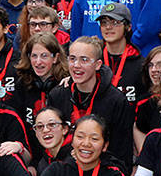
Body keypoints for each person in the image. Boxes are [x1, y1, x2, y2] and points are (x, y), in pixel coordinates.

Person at [46, 37, 134, 169]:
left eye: (84, 60)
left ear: (98, 64)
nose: (76, 65)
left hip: (102, 173)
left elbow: (121, 154)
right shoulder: (57, 95)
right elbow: (49, 141)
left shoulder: (116, 101)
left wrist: (89, 157)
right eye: (72, 59)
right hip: (63, 169)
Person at [10, 33, 66, 129]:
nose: (38, 62)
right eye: (34, 56)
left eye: (44, 56)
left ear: (55, 58)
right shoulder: (21, 83)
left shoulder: (65, 85)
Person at [96, 3, 145, 105]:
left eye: (115, 22)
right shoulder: (94, 59)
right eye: (104, 22)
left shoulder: (140, 64)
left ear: (128, 27)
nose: (108, 27)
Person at [30, 107, 72, 176]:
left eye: (52, 124)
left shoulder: (76, 157)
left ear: (65, 129)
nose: (45, 130)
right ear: (36, 134)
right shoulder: (43, 164)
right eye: (40, 126)